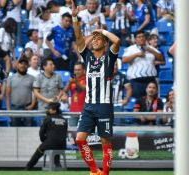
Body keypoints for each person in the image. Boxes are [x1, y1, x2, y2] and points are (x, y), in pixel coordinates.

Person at [71, 0, 121, 174]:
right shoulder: (88, 58)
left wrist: (102, 31)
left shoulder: (109, 57)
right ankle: (95, 170)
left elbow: (117, 40)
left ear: (104, 43)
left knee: (106, 143)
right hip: (88, 106)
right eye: (94, 39)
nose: (95, 41)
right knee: (79, 140)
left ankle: (105, 174)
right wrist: (75, 17)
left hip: (104, 106)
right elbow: (78, 38)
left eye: (98, 39)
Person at [25, 102, 68, 170]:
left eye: (49, 109)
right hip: (62, 145)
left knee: (39, 150)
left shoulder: (48, 119)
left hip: (50, 143)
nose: (47, 110)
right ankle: (57, 165)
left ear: (54, 110)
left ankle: (28, 167)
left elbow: (41, 132)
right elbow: (64, 133)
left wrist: (44, 141)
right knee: (56, 147)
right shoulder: (64, 120)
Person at [122, 30, 163, 99]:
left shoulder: (150, 48)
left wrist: (151, 51)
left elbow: (161, 58)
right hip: (137, 81)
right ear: (135, 39)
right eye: (139, 37)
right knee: (138, 102)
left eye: (143, 36)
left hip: (151, 80)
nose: (141, 38)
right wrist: (136, 55)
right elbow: (124, 60)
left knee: (153, 102)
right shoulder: (131, 49)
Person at [6, 57, 36, 126]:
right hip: (14, 108)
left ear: (28, 66)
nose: (23, 65)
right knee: (14, 130)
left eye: (25, 64)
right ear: (17, 65)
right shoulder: (11, 78)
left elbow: (35, 93)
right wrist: (8, 110)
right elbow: (7, 95)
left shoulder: (32, 78)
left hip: (28, 108)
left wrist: (32, 105)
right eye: (21, 63)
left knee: (28, 130)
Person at [64, 62, 86, 126]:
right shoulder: (72, 79)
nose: (77, 72)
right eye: (75, 70)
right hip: (73, 111)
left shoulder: (87, 79)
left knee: (84, 133)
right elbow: (65, 91)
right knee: (72, 132)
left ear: (83, 70)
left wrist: (76, 82)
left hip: (85, 111)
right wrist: (69, 83)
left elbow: (86, 88)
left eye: (79, 70)